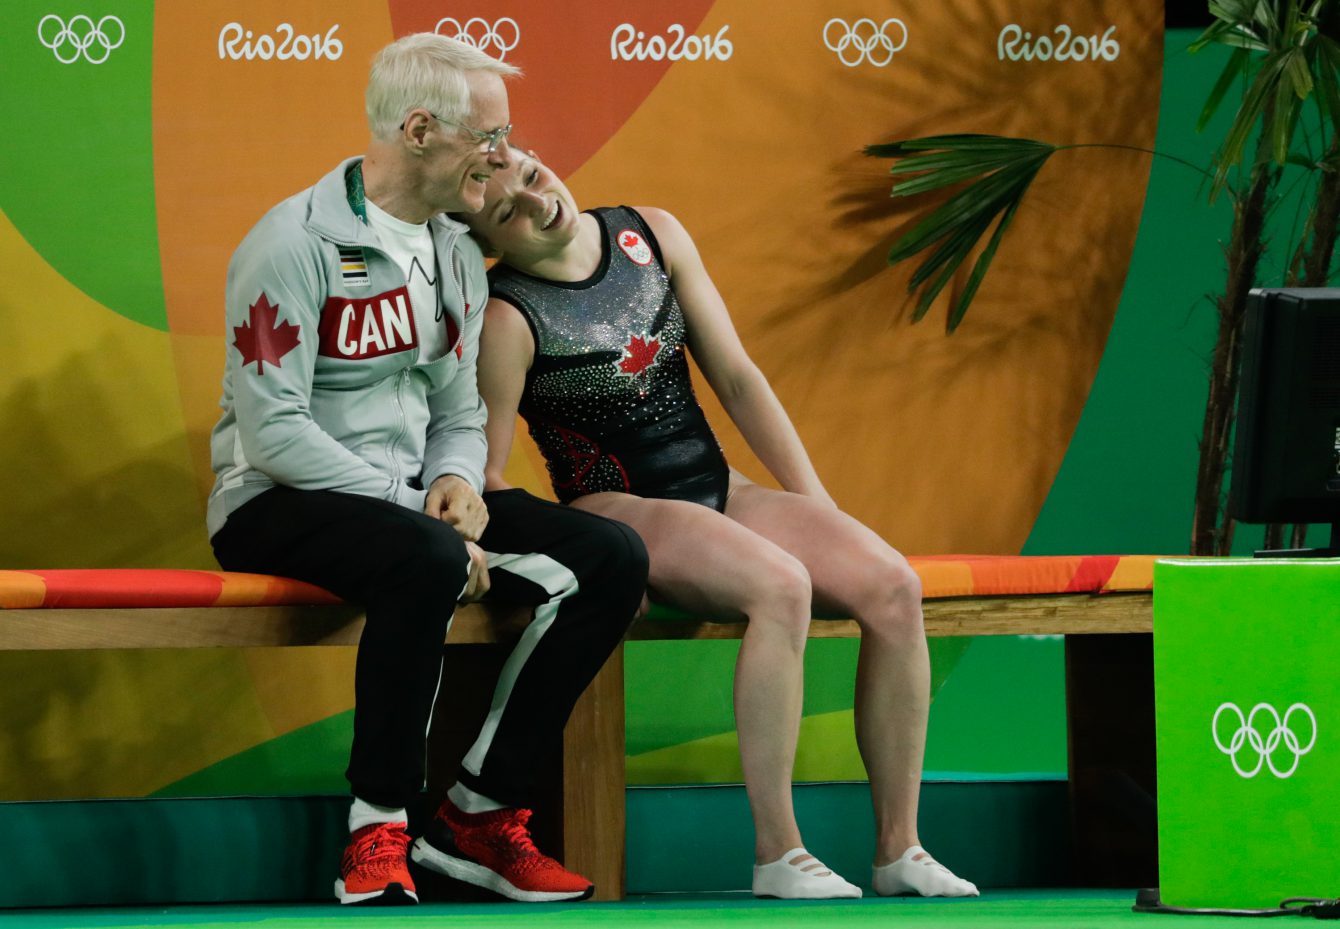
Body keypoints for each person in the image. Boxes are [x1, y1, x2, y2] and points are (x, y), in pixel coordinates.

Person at [465, 151, 979, 900]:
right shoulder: (507, 316)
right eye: (507, 212)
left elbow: (737, 377)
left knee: (894, 585)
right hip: (617, 507)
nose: (537, 202)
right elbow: (487, 473)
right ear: (486, 241)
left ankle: (899, 847)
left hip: (720, 489)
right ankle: (779, 851)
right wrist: (578, 563)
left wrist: (817, 505)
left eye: (532, 177)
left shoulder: (650, 234)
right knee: (781, 585)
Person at [206, 37, 647, 907]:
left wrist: (457, 482)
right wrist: (418, 508)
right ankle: (376, 828)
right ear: (418, 131)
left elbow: (458, 411)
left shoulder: (454, 253)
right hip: (273, 499)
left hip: (411, 502)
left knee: (612, 557)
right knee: (429, 557)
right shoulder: (290, 244)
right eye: (489, 135)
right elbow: (274, 434)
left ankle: (477, 816)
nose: (504, 155)